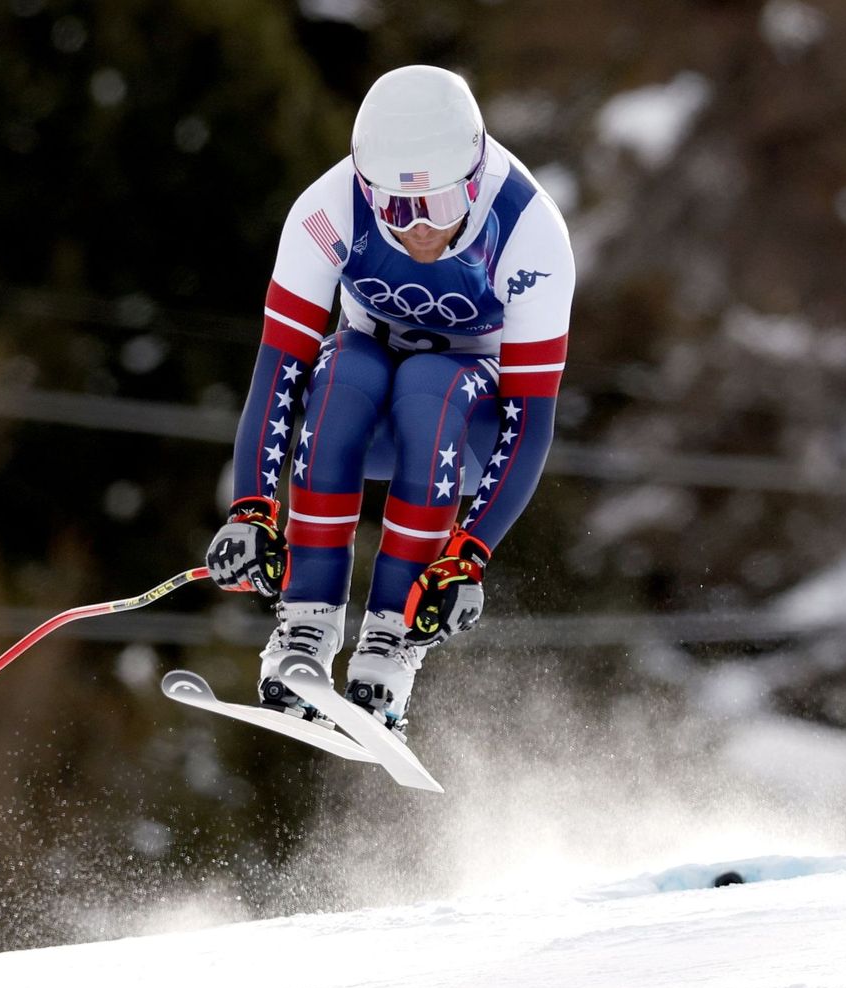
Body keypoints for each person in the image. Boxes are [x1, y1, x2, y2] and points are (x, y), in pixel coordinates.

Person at [204, 65, 575, 736]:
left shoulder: (529, 233)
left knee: (429, 384)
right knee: (343, 368)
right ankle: (305, 627)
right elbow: (278, 373)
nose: (420, 229)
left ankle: (391, 645)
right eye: (398, 209)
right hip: (365, 417)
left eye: (441, 203)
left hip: (465, 432)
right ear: (366, 186)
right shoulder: (328, 210)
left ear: (475, 178)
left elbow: (529, 422)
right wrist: (251, 508)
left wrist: (469, 553)